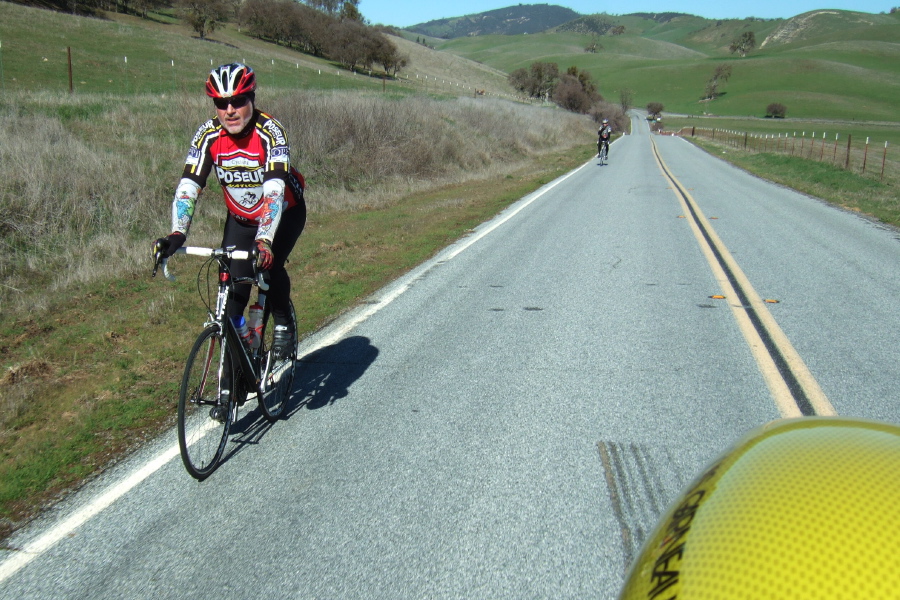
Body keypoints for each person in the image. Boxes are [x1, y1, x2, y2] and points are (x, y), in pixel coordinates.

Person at [154, 63, 306, 361]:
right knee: (232, 305)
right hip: (240, 220)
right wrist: (177, 233)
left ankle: (283, 321)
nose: (230, 110)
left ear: (252, 98)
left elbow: (274, 189)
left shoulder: (271, 132)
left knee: (269, 268)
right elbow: (188, 185)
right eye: (221, 103)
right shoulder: (207, 135)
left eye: (238, 101)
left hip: (283, 213)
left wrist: (265, 240)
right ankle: (235, 379)